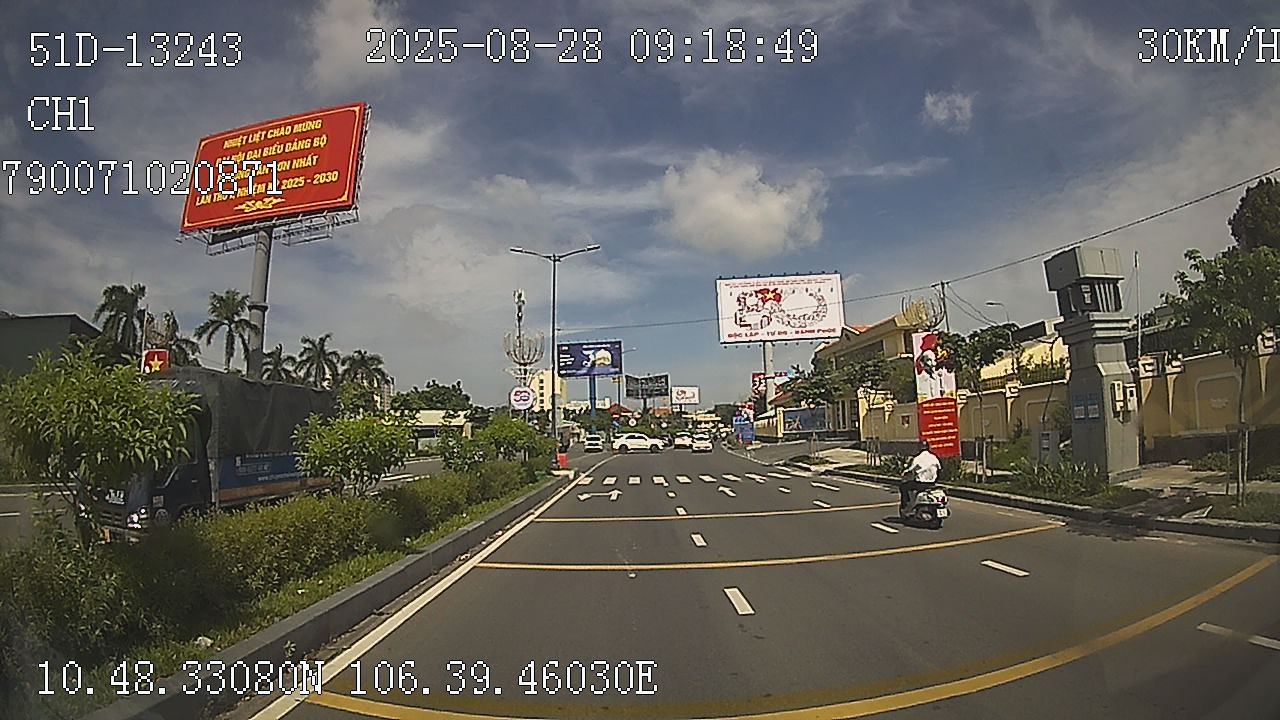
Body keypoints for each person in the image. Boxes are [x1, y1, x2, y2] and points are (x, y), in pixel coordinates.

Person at [900, 440, 941, 510]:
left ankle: (905, 505)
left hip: (920, 484)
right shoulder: (934, 457)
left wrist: (905, 472)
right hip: (932, 483)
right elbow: (939, 468)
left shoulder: (917, 458)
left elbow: (911, 469)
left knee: (904, 487)